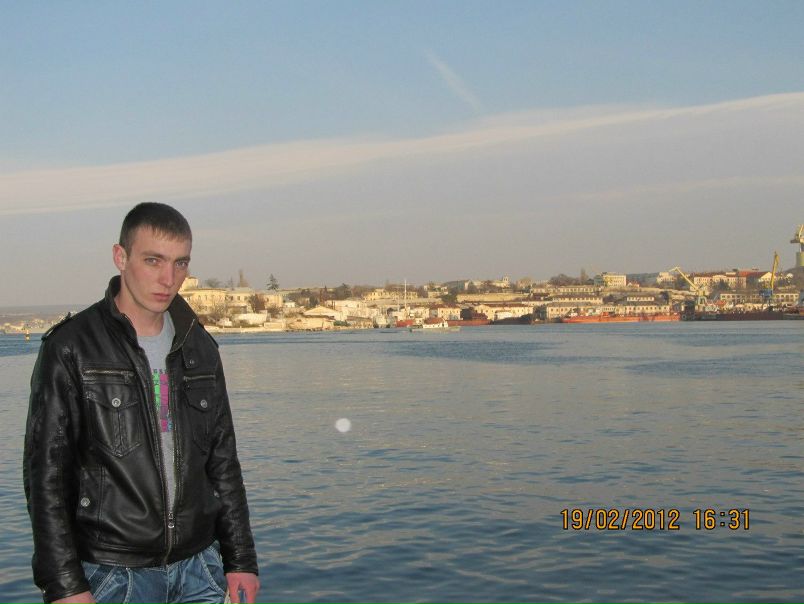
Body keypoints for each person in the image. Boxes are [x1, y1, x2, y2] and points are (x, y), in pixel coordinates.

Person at [24, 203, 259, 604]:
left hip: (200, 569)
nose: (169, 279)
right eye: (153, 260)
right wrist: (64, 585)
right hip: (112, 574)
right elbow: (46, 475)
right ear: (121, 257)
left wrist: (241, 560)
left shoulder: (200, 347)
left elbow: (223, 463)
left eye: (180, 263)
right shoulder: (72, 347)